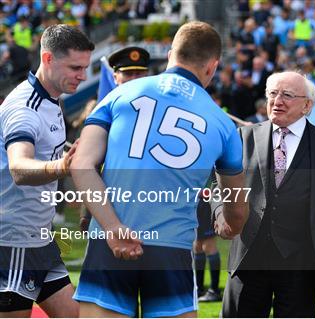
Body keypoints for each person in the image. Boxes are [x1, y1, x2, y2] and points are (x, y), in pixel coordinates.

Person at [70, 21, 248, 317]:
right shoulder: (223, 123)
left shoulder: (119, 94)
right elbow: (237, 207)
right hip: (171, 249)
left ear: (169, 55)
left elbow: (81, 164)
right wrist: (231, 224)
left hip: (110, 241)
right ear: (213, 66)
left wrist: (112, 227)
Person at [217, 70, 315, 318]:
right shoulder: (242, 137)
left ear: (307, 105)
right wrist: (221, 215)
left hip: (302, 265)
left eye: (287, 95)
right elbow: (219, 185)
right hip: (248, 259)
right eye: (272, 93)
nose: (277, 101)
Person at [0, 24, 94, 317]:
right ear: (48, 59)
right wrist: (61, 166)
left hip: (39, 239)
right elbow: (19, 166)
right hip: (13, 241)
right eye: (75, 67)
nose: (82, 75)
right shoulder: (24, 109)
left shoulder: (50, 100)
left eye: (85, 67)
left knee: (76, 314)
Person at [79, 46, 151, 232]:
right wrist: (87, 212)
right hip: (111, 203)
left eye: (139, 73)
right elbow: (90, 164)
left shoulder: (161, 111)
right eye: (128, 74)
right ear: (114, 77)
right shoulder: (104, 113)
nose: (134, 79)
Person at [194, 174, 222, 303]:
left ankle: (214, 291)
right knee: (197, 246)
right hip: (195, 204)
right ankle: (198, 289)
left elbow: (216, 179)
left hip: (205, 203)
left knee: (208, 246)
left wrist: (206, 192)